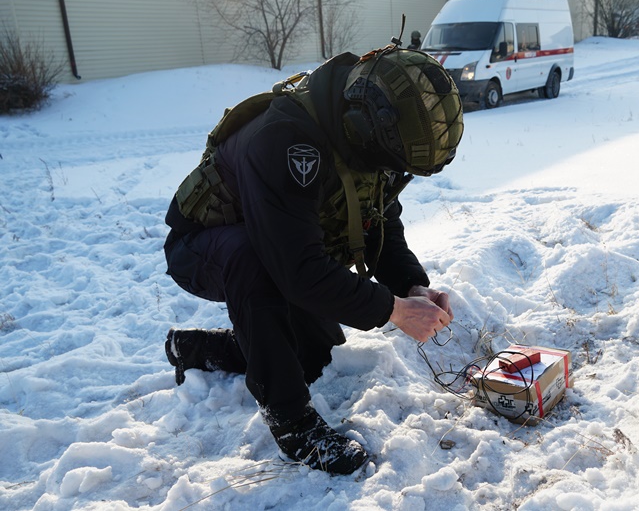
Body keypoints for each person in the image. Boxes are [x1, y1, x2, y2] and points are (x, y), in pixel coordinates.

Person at [162, 43, 464, 475]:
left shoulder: (369, 132)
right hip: (203, 246)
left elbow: (378, 222)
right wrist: (394, 310)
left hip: (279, 242)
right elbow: (298, 272)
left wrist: (411, 285)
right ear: (366, 125)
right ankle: (293, 426)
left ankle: (196, 349)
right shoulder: (286, 142)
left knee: (312, 357)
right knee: (252, 261)